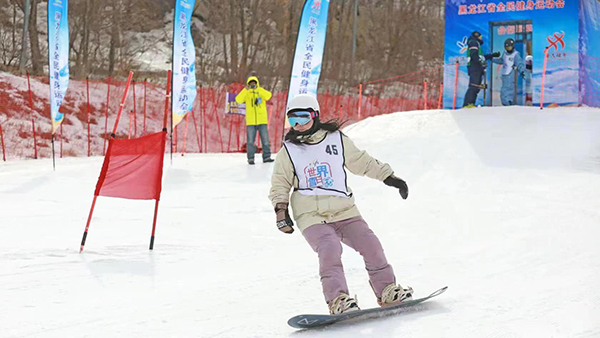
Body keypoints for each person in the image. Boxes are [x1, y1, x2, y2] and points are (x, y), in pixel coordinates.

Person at [268, 94, 413, 315]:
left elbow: (361, 162)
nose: (297, 125)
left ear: (315, 116)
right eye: (292, 120)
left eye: (302, 118)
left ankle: (387, 291)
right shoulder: (288, 151)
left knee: (371, 244)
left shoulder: (336, 139)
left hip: (344, 210)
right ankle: (338, 300)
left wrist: (389, 177)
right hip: (311, 214)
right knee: (329, 248)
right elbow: (280, 183)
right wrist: (281, 211)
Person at [235, 76, 273, 165]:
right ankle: (251, 158)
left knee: (265, 140)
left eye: (254, 84)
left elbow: (268, 96)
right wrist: (246, 90)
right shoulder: (247, 93)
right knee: (250, 141)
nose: (253, 85)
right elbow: (238, 99)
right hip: (251, 121)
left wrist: (258, 89)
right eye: (251, 84)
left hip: (262, 120)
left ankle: (267, 156)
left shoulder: (260, 92)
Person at [463, 31, 500, 108]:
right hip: (475, 67)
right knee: (474, 86)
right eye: (480, 36)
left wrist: (492, 55)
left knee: (476, 87)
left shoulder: (477, 44)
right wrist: (480, 62)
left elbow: (481, 57)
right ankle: (467, 104)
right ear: (477, 36)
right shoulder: (473, 42)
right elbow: (474, 55)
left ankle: (471, 103)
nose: (481, 38)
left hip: (477, 68)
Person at [492, 38, 526, 106]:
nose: (508, 49)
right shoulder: (505, 53)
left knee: (507, 91)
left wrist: (522, 71)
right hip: (505, 75)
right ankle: (507, 104)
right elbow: (502, 60)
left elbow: (520, 63)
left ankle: (508, 103)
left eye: (509, 47)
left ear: (513, 46)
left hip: (511, 75)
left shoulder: (515, 54)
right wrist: (492, 59)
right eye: (506, 47)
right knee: (504, 91)